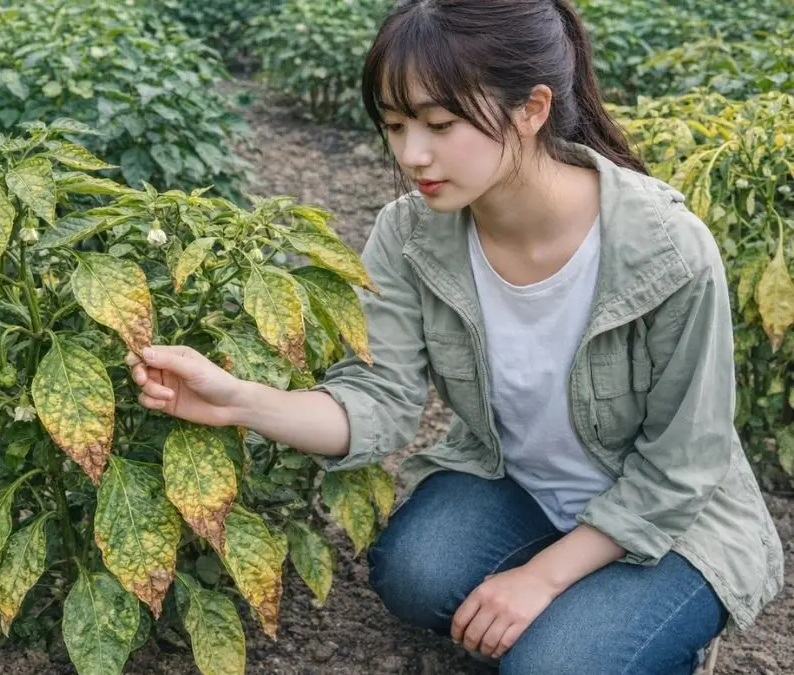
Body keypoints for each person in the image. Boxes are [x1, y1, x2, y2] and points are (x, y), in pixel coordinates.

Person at [125, 0, 784, 672]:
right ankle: (590, 614)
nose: (412, 153)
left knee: (551, 665)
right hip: (524, 486)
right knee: (413, 572)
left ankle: (654, 627)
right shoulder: (411, 235)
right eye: (395, 124)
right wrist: (239, 400)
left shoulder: (666, 250)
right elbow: (379, 398)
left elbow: (682, 468)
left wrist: (543, 578)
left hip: (673, 525)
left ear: (532, 110)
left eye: (440, 124)